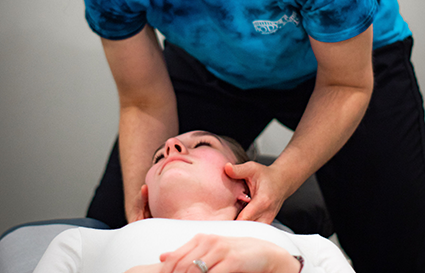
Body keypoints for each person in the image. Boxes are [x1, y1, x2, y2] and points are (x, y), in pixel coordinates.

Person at [59, 0, 425, 271]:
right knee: (108, 226)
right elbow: (143, 100)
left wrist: (282, 179)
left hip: (346, 74)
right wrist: (139, 218)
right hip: (213, 68)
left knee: (394, 249)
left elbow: (347, 83)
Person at [33, 131, 354, 273]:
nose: (171, 145)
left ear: (247, 188)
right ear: (145, 199)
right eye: (159, 155)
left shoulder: (309, 249)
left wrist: (282, 266)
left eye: (201, 144)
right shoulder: (82, 242)